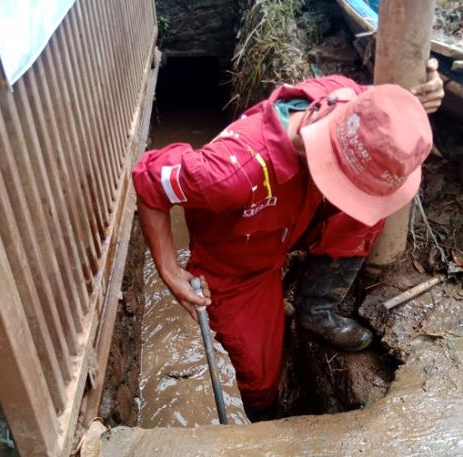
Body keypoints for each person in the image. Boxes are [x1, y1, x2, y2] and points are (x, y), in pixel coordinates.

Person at [133, 59, 444, 421]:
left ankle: (315, 310)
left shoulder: (350, 106)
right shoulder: (228, 175)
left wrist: (417, 99)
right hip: (240, 265)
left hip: (298, 214)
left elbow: (384, 118)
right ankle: (265, 417)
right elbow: (148, 180)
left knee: (367, 210)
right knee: (261, 372)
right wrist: (170, 271)